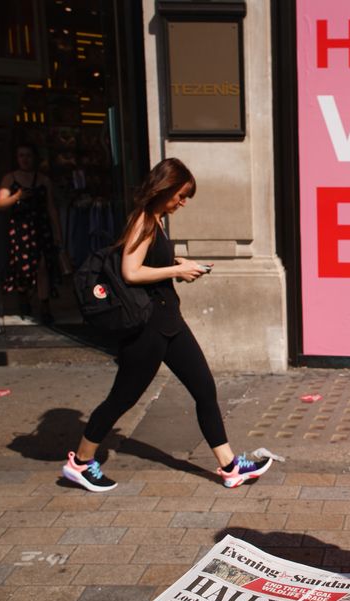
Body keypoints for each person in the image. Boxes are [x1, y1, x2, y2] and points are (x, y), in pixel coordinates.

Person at [62, 158, 271, 492]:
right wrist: (176, 271)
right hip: (148, 329)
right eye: (181, 195)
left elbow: (149, 261)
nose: (183, 202)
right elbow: (131, 271)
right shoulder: (143, 221)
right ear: (166, 188)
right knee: (122, 399)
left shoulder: (156, 220)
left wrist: (180, 263)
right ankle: (81, 463)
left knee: (204, 388)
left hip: (169, 323)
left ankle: (230, 467)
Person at [0, 143, 62, 323]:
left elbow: (51, 208)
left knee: (42, 268)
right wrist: (16, 197)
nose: (25, 159)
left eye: (28, 155)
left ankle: (44, 306)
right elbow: (0, 204)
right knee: (22, 268)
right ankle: (23, 299)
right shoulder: (10, 179)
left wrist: (57, 233)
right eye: (21, 155)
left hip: (41, 229)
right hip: (20, 230)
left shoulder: (43, 180)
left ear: (35, 158)